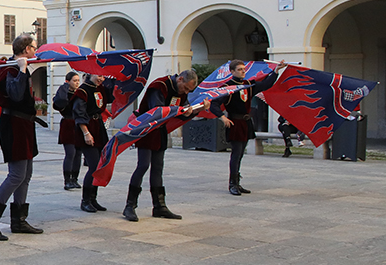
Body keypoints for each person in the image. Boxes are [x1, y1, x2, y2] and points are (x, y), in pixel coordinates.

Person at [0, 33, 43, 240]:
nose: (36, 50)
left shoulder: (16, 68)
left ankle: (19, 220)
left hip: (24, 125)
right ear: (26, 50)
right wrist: (22, 69)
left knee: (26, 175)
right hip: (14, 125)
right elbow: (15, 94)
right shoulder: (7, 70)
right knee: (16, 175)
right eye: (34, 47)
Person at [122, 69, 206, 222]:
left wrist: (198, 109)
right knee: (143, 166)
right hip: (146, 128)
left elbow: (183, 110)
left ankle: (159, 206)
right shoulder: (159, 85)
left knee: (158, 167)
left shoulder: (180, 91)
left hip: (160, 130)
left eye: (188, 90)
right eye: (185, 88)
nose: (185, 92)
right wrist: (181, 110)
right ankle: (130, 205)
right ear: (180, 79)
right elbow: (158, 109)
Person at [216, 60, 284, 195]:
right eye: (240, 69)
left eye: (243, 69)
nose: (243, 71)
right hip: (235, 122)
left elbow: (265, 84)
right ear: (232, 71)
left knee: (241, 154)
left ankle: (237, 182)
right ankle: (232, 184)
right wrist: (222, 117)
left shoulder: (248, 85)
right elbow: (214, 103)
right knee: (236, 153)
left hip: (245, 122)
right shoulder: (227, 87)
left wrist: (276, 70)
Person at [73, 74, 115, 214]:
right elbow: (79, 113)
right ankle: (85, 201)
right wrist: (86, 132)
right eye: (99, 76)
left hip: (98, 127)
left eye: (103, 76)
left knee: (99, 165)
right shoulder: (82, 91)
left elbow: (111, 97)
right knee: (93, 165)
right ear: (90, 74)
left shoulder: (100, 88)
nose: (101, 79)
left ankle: (93, 198)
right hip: (87, 128)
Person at [53, 70, 82, 191]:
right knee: (70, 153)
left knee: (78, 154)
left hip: (79, 124)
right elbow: (59, 103)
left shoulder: (80, 93)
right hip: (68, 123)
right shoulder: (63, 93)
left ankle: (75, 179)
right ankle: (67, 180)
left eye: (78, 81)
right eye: (74, 81)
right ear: (68, 81)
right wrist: (65, 87)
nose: (77, 83)